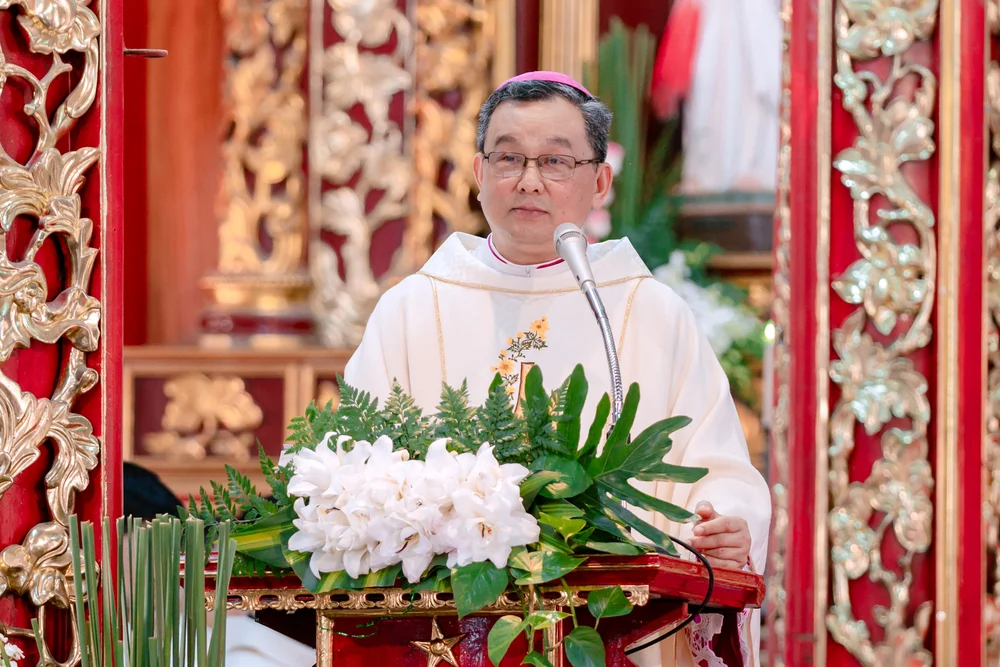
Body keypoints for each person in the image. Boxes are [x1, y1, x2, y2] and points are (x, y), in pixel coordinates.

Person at [343, 70, 771, 666]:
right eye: (508, 157)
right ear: (478, 173)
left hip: (616, 634)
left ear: (600, 180)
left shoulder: (648, 311)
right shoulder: (413, 309)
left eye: (555, 161)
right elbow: (354, 469)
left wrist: (726, 523)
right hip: (442, 635)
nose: (529, 180)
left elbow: (716, 465)